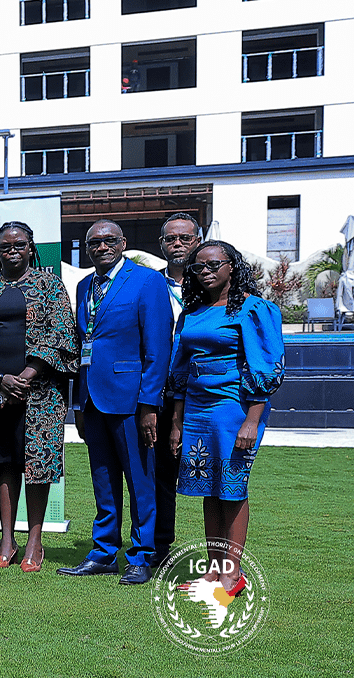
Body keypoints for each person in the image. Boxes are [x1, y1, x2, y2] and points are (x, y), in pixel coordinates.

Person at [0, 221, 77, 574]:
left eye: (19, 244)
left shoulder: (49, 285)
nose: (12, 251)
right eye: (5, 246)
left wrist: (25, 377)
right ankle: (7, 542)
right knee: (5, 464)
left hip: (39, 394)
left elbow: (62, 333)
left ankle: (35, 542)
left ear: (30, 247)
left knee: (35, 465)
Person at [167, 240, 284, 596]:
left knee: (232, 489)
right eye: (198, 267)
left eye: (213, 264)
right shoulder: (192, 312)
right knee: (209, 488)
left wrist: (252, 420)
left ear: (232, 266)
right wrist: (176, 423)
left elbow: (266, 366)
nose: (205, 271)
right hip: (197, 410)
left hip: (235, 409)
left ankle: (233, 575)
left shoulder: (253, 309)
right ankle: (213, 571)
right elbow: (180, 368)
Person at [60, 220, 173, 586]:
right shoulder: (84, 285)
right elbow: (85, 344)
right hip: (92, 399)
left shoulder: (147, 281)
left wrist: (149, 404)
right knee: (103, 481)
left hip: (132, 401)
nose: (102, 246)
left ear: (123, 243)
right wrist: (79, 404)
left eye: (109, 240)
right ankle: (103, 553)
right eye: (94, 242)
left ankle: (141, 556)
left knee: (140, 483)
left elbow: (158, 348)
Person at [154, 212, 204, 550]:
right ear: (161, 244)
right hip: (160, 393)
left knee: (214, 477)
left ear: (197, 241)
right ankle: (159, 546)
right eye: (171, 238)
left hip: (204, 394)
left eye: (185, 238)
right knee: (160, 475)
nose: (177, 244)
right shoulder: (150, 284)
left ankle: (221, 558)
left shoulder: (213, 284)